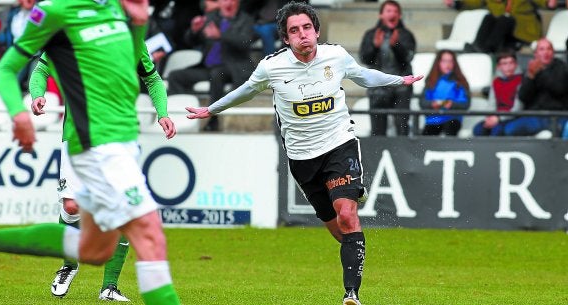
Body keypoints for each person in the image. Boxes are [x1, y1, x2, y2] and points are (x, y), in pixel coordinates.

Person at [185, 2, 423, 304]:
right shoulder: (271, 67)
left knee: (347, 215)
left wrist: (399, 80)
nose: (302, 35)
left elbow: (364, 76)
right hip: (301, 158)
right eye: (294, 31)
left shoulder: (335, 56)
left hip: (339, 144)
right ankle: (352, 236)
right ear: (286, 38)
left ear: (317, 31)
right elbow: (244, 90)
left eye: (307, 28)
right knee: (340, 231)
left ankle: (351, 295)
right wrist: (210, 109)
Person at [0, 1, 182, 305]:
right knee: (145, 233)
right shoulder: (56, 12)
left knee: (97, 248)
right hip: (91, 141)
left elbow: (136, 73)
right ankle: (71, 268)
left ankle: (105, 284)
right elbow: (9, 69)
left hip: (123, 141)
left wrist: (139, 26)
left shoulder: (119, 14)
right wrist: (20, 111)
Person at [28, 49, 176, 300]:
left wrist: (163, 113)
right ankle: (69, 265)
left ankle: (109, 287)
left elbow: (152, 79)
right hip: (77, 135)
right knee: (72, 207)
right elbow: (41, 70)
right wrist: (37, 95)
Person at [167, 0, 255, 132]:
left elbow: (245, 43)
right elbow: (190, 41)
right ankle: (180, 117)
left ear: (237, 2)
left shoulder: (245, 20)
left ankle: (213, 119)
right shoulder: (211, 18)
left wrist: (221, 35)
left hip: (233, 68)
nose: (227, 3)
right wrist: (194, 31)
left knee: (217, 74)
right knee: (175, 76)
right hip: (208, 67)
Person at [359, 0, 416, 136]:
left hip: (401, 88)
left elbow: (408, 58)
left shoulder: (406, 35)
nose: (393, 14)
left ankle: (404, 156)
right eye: (389, 11)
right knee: (378, 131)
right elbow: (365, 59)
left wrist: (396, 46)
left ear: (400, 16)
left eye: (396, 11)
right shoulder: (371, 34)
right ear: (381, 15)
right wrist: (374, 47)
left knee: (402, 128)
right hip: (378, 88)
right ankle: (377, 156)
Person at [503, 38, 568, 137]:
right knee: (509, 129)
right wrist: (530, 77)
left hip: (556, 116)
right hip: (534, 116)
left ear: (553, 52)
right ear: (536, 54)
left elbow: (559, 88)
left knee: (556, 133)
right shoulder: (531, 70)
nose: (545, 52)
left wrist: (539, 73)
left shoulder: (562, 68)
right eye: (541, 49)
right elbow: (523, 97)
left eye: (548, 49)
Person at [443, 0, 556, 53]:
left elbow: (544, 2)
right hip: (500, 32)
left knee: (505, 19)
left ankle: (488, 50)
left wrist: (549, 3)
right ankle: (478, 46)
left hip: (523, 31)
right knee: (489, 17)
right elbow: (473, 3)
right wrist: (454, 3)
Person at [420, 49, 470, 136]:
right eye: (444, 61)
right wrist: (432, 104)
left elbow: (465, 104)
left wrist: (452, 104)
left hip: (452, 118)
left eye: (450, 61)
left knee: (449, 130)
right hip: (433, 119)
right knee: (425, 139)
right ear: (438, 63)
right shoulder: (431, 81)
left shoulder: (460, 81)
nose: (447, 64)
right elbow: (422, 102)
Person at [473, 50, 523, 136]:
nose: (508, 67)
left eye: (511, 63)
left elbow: (518, 108)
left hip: (512, 117)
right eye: (504, 63)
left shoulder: (521, 80)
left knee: (497, 131)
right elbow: (491, 104)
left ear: (516, 64)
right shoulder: (496, 82)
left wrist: (499, 118)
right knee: (478, 130)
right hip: (496, 117)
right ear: (499, 66)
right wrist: (489, 118)